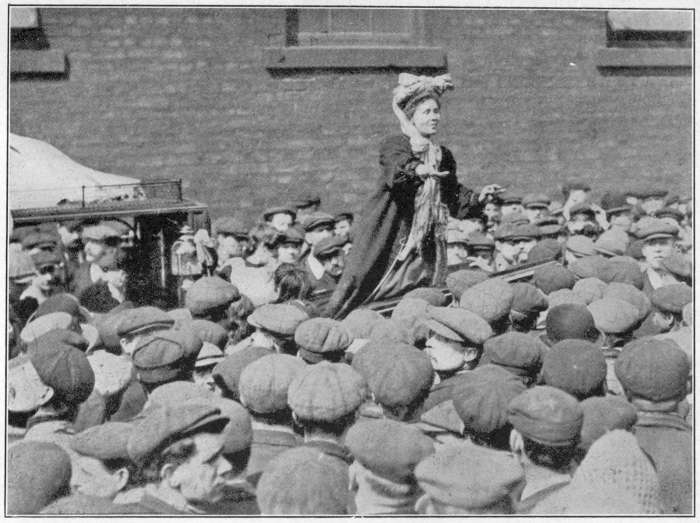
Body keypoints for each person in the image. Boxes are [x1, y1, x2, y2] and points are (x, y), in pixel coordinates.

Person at [327, 74, 500, 317]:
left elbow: (452, 193)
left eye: (436, 111)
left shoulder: (442, 155)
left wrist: (478, 198)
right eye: (426, 112)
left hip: (425, 243)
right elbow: (396, 167)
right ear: (411, 117)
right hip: (391, 235)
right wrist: (418, 169)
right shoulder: (396, 144)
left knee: (421, 289)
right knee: (360, 284)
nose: (434, 117)